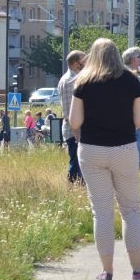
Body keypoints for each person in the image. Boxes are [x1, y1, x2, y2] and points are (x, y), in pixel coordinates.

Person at [69, 38, 140, 280]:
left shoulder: (83, 82)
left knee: (102, 212)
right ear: (118, 56)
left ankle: (107, 271)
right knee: (130, 209)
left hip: (91, 151)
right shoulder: (131, 81)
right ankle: (138, 270)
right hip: (123, 149)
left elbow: (74, 121)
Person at [57, 50, 86, 184]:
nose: (86, 62)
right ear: (76, 63)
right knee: (76, 164)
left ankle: (76, 189)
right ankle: (72, 190)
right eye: (83, 59)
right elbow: (69, 112)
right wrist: (77, 134)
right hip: (74, 132)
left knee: (80, 163)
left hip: (77, 130)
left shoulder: (74, 78)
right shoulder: (70, 81)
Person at [122, 46, 140, 168]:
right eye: (139, 57)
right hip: (134, 122)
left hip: (134, 120)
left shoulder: (132, 74)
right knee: (136, 156)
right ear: (133, 59)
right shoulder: (130, 75)